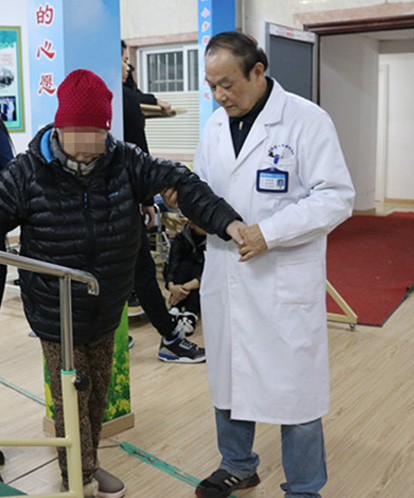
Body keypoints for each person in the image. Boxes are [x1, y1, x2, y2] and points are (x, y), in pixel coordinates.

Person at [0, 69, 244, 498]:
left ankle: (88, 464)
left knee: (96, 391)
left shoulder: (125, 160)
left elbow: (183, 182)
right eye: (78, 134)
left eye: (97, 134)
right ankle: (79, 477)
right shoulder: (27, 171)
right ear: (60, 126)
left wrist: (229, 224)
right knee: (71, 392)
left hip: (107, 301)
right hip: (56, 307)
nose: (88, 145)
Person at [193, 32, 355, 498]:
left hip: (282, 278)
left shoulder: (306, 120)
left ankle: (303, 487)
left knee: (295, 390)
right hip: (227, 274)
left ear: (258, 72)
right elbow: (202, 189)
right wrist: (190, 210)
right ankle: (237, 465)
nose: (219, 96)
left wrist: (271, 232)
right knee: (228, 377)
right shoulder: (215, 126)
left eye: (227, 84)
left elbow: (336, 197)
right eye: (211, 86)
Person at [121, 41, 206, 362]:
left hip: (125, 200)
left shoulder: (126, 97)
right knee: (140, 270)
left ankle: (165, 335)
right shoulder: (124, 101)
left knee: (137, 271)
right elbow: (140, 155)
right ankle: (169, 338)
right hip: (122, 201)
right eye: (124, 61)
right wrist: (145, 196)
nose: (128, 67)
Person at [164, 220, 206, 336]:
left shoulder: (213, 241)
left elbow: (212, 269)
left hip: (201, 281)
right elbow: (172, 263)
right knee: (185, 264)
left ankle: (190, 311)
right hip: (182, 279)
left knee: (198, 264)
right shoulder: (180, 238)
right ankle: (176, 308)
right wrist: (172, 286)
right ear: (191, 224)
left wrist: (188, 286)